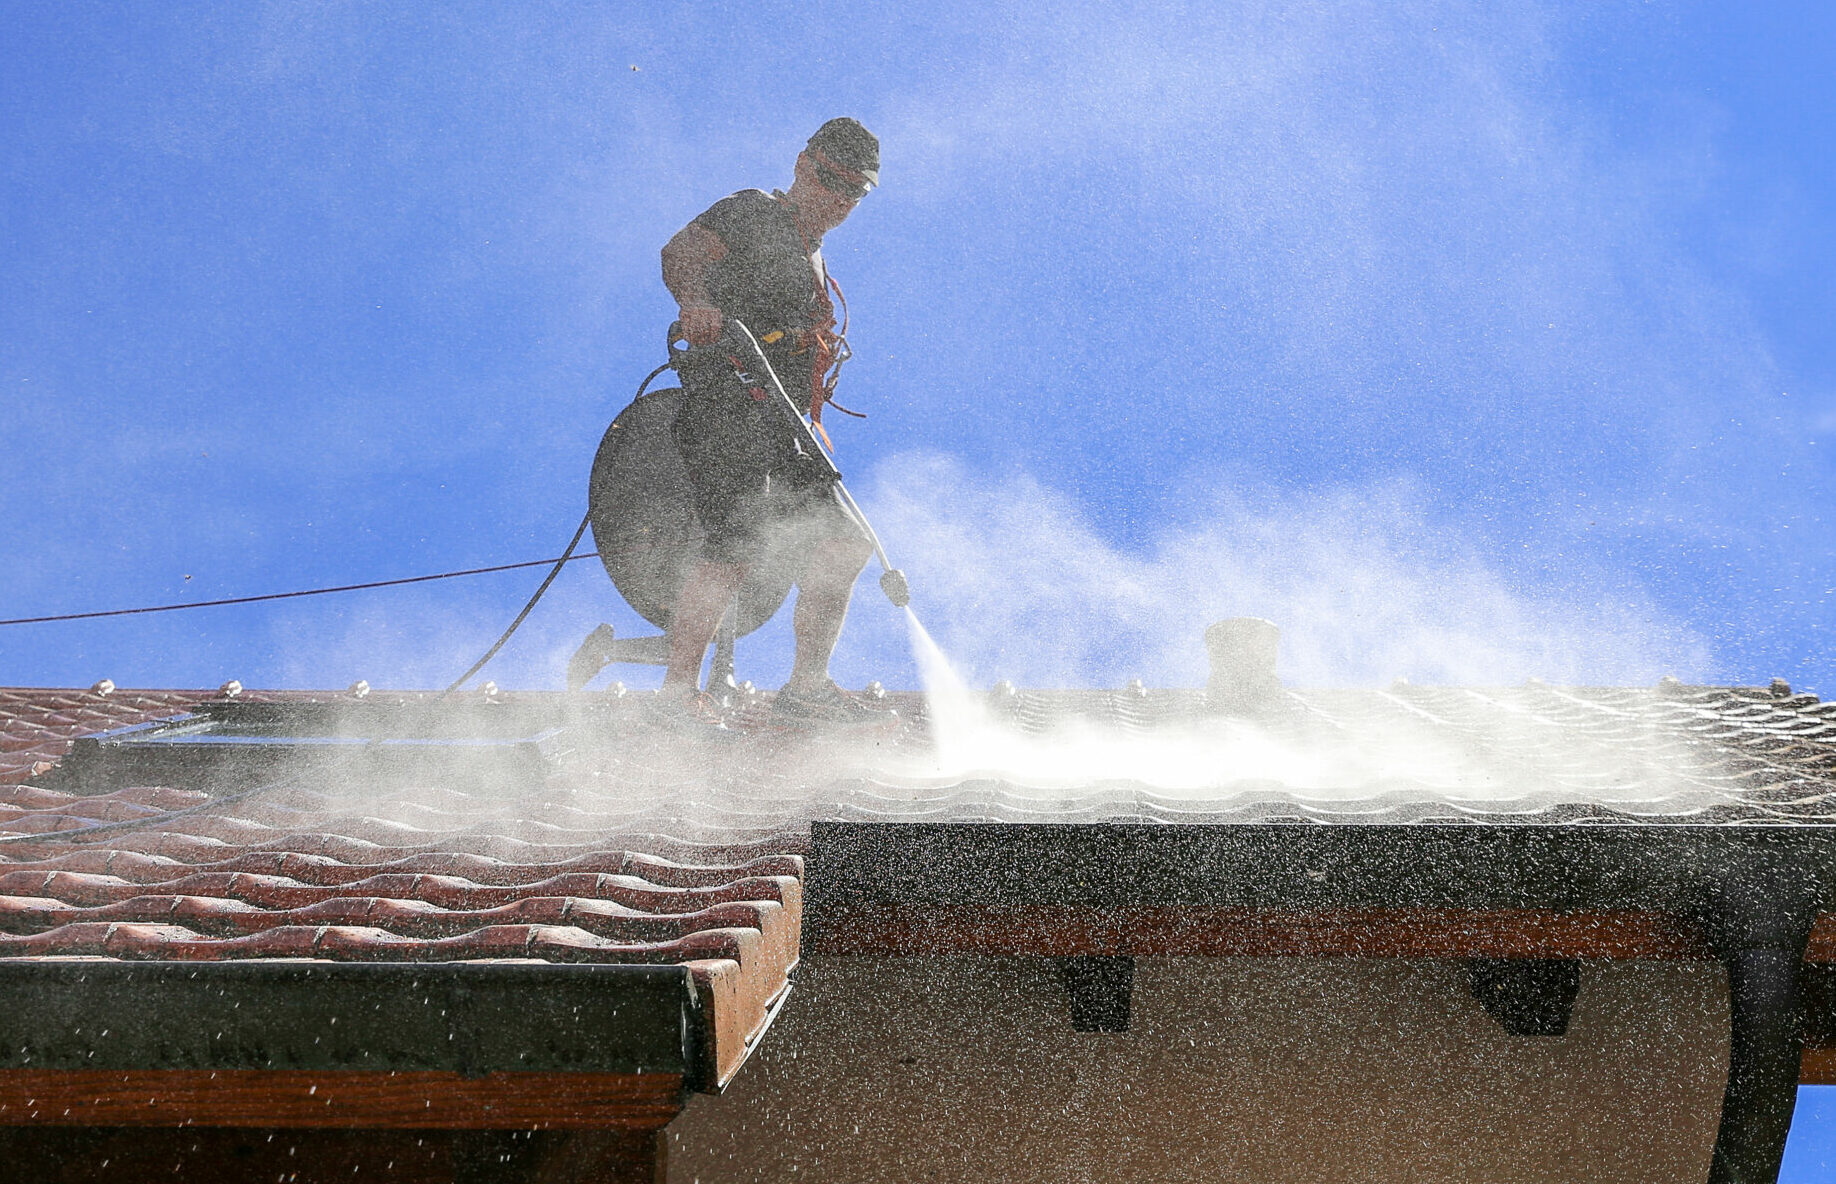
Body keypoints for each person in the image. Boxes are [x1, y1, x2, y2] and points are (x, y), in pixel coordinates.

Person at [657, 117, 890, 725]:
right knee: (735, 539)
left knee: (846, 541)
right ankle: (676, 699)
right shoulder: (755, 211)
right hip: (728, 404)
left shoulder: (813, 257)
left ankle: (806, 688)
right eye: (831, 180)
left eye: (854, 192)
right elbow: (681, 252)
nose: (838, 199)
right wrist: (696, 302)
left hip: (787, 427)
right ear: (801, 164)